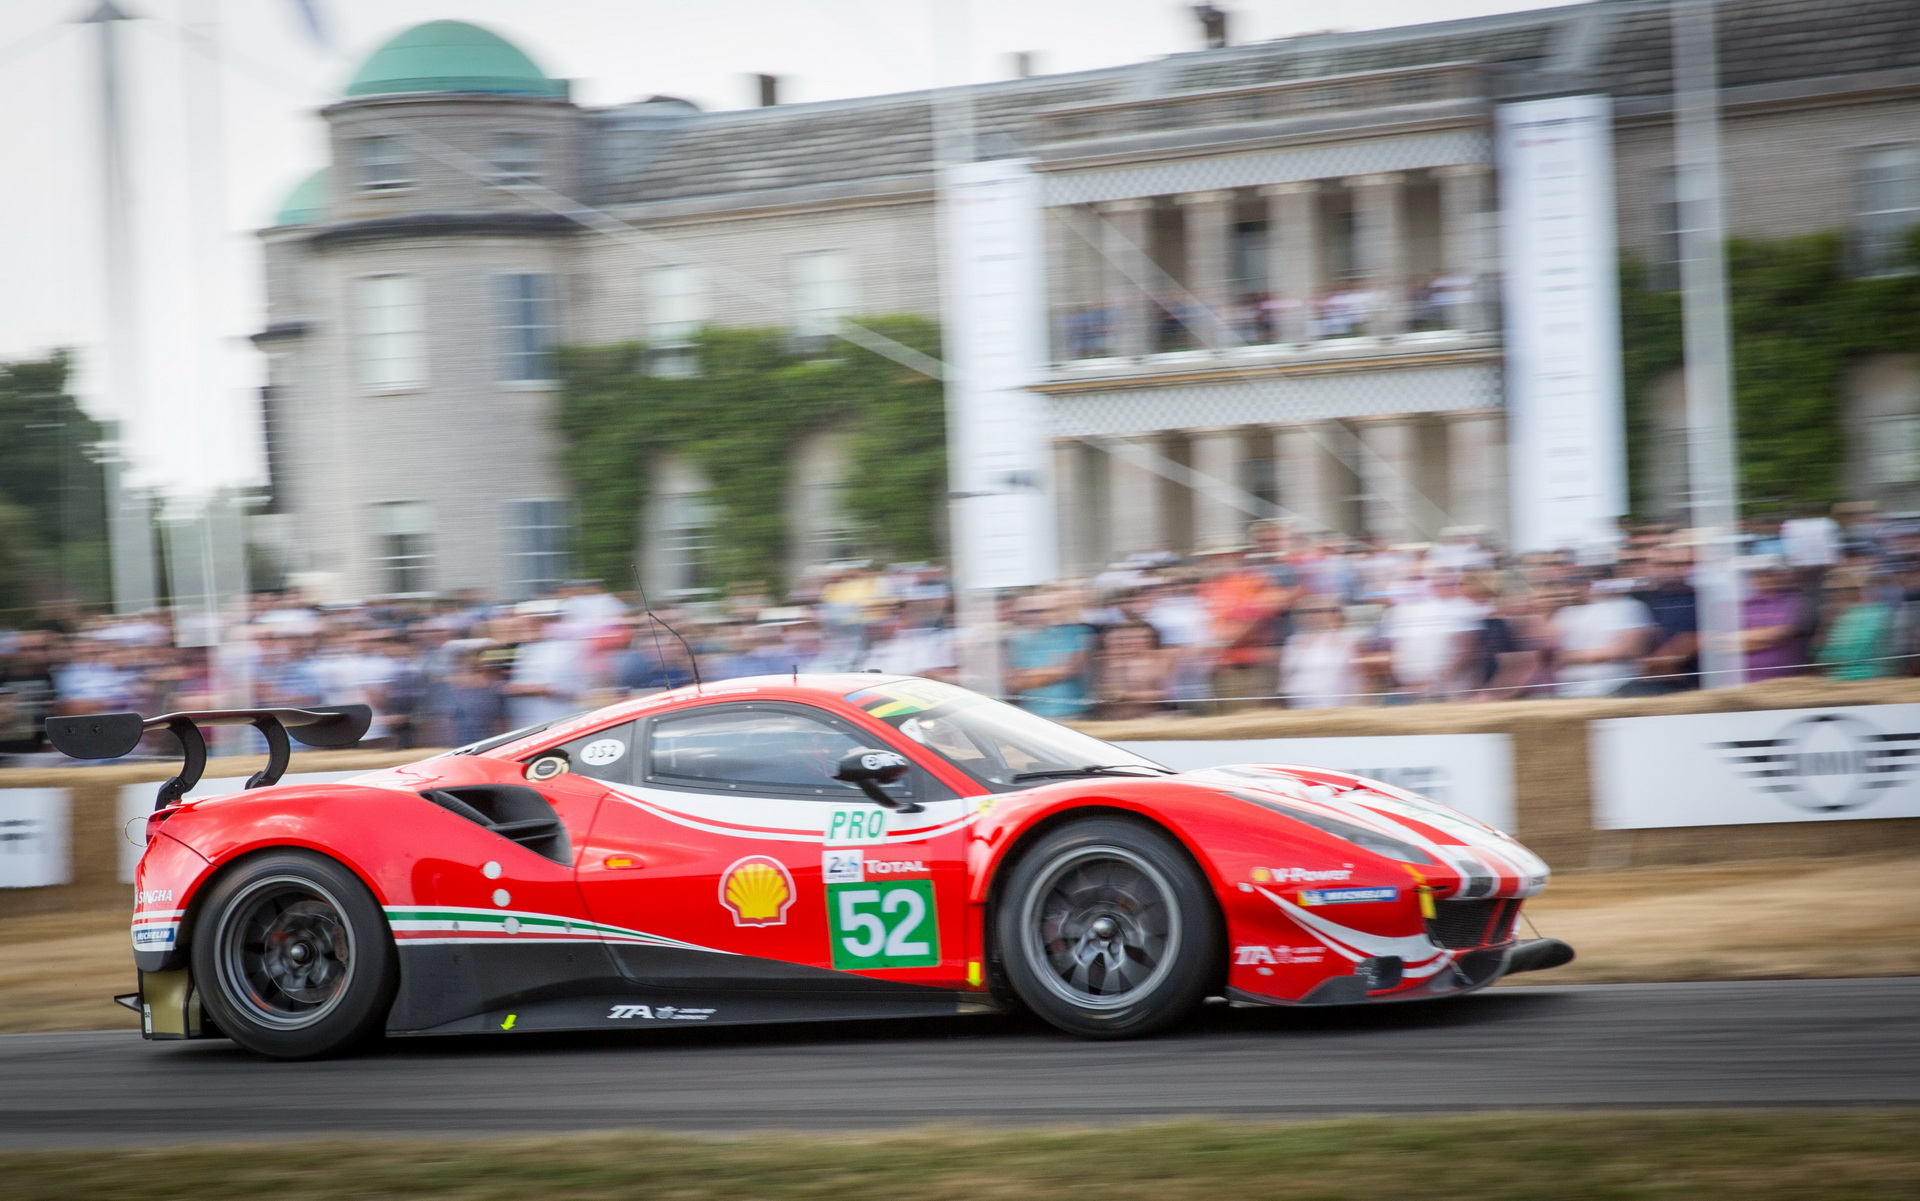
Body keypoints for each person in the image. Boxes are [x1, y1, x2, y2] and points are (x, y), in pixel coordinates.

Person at [1550, 570, 1655, 698]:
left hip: (1617, 687)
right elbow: (1552, 654)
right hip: (1569, 691)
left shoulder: (1631, 606)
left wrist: (1571, 656)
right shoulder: (1564, 613)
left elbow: (1628, 650)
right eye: (1576, 583)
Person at [1005, 590, 1096, 718]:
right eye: (1029, 611)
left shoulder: (1077, 633)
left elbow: (1070, 670)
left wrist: (1026, 676)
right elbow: (1011, 681)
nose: (1034, 615)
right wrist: (1053, 672)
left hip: (1071, 712)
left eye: (1055, 609)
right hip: (1032, 714)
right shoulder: (1018, 638)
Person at [1734, 557, 1816, 682]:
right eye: (1761, 574)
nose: (1766, 578)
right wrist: (1764, 638)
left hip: (1787, 683)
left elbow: (1780, 633)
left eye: (1771, 573)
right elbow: (1724, 643)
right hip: (1749, 686)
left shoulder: (1797, 602)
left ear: (1783, 575)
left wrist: (1744, 639)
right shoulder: (1744, 606)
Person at [1280, 599, 1369, 708]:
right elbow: (1285, 677)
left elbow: (1358, 679)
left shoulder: (1348, 641)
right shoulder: (1293, 642)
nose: (1312, 617)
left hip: (1332, 706)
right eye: (1306, 613)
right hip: (1299, 705)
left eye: (1318, 612)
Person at [1816, 567, 1898, 680]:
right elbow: (1825, 658)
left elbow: (1843, 656)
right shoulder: (1841, 618)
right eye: (1827, 591)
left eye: (1835, 590)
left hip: (1869, 682)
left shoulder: (1875, 614)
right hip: (1842, 682)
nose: (1830, 596)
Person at [1091, 621, 1169, 720]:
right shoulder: (1103, 662)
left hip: (1148, 719)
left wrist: (1125, 695)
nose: (1136, 641)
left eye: (1145, 638)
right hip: (1111, 720)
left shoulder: (1161, 661)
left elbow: (1168, 693)